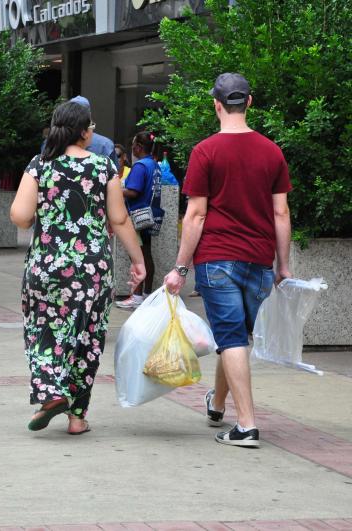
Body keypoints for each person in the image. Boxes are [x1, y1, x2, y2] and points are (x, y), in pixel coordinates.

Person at [164, 73, 292, 448]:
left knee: (232, 337)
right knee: (234, 337)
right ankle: (217, 403)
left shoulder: (206, 151)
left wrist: (180, 268)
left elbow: (196, 215)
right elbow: (281, 213)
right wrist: (283, 266)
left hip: (216, 259)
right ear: (249, 102)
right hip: (258, 260)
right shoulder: (272, 151)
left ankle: (247, 425)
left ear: (216, 105)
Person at [10, 101, 146, 435]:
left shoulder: (39, 165)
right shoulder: (103, 167)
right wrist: (139, 261)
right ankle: (76, 417)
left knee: (43, 330)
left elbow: (21, 216)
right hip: (92, 270)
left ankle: (50, 391)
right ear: (84, 133)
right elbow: (119, 219)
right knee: (87, 338)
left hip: (46, 267)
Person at [115, 131, 163, 310]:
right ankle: (146, 294)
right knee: (147, 255)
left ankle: (136, 297)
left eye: (133, 144)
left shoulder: (140, 166)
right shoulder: (154, 165)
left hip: (137, 217)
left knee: (138, 257)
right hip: (151, 215)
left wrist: (114, 189)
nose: (131, 148)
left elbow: (133, 191)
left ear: (138, 147)